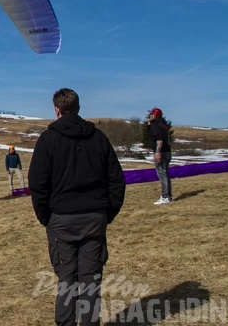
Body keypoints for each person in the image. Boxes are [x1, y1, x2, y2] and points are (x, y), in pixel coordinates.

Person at [28, 88, 126, 326]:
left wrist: (46, 217)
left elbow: (37, 184)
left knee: (67, 280)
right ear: (79, 108)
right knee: (90, 280)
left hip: (64, 220)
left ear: (57, 110)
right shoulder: (97, 138)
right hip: (90, 219)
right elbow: (116, 179)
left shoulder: (50, 139)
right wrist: (105, 213)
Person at [148, 107, 173, 205]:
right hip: (167, 152)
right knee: (166, 174)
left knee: (162, 175)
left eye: (150, 114)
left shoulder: (156, 125)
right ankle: (168, 196)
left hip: (161, 153)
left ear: (154, 115)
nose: (149, 116)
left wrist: (157, 152)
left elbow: (159, 140)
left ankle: (165, 196)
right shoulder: (164, 125)